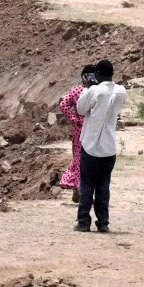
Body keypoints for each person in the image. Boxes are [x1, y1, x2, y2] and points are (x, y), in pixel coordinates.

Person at [74, 59, 126, 234]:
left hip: (91, 146)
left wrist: (87, 87)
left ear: (97, 74)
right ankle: (103, 222)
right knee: (103, 186)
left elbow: (81, 109)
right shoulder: (121, 91)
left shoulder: (95, 90)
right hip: (109, 147)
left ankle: (83, 221)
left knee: (87, 185)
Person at [59, 65, 97, 203]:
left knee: (78, 158)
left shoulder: (76, 90)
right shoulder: (96, 92)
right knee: (89, 160)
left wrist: (74, 118)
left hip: (78, 129)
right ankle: (83, 191)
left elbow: (63, 105)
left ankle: (78, 189)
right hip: (91, 128)